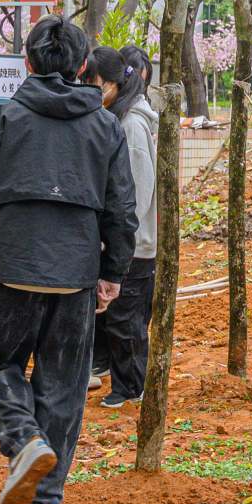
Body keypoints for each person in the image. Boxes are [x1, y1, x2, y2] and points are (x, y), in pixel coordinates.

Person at [0, 16, 136, 504]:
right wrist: (113, 272)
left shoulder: (7, 117)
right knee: (63, 390)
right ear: (84, 66)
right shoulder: (106, 125)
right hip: (75, 273)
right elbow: (122, 209)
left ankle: (22, 437)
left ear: (29, 62)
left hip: (13, 268)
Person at [84, 46, 158, 410]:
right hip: (122, 239)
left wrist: (121, 236)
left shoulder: (131, 125)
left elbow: (138, 192)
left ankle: (132, 387)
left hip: (135, 243)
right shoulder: (118, 119)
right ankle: (120, 376)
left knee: (128, 319)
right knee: (116, 316)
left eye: (94, 83)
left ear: (113, 84)